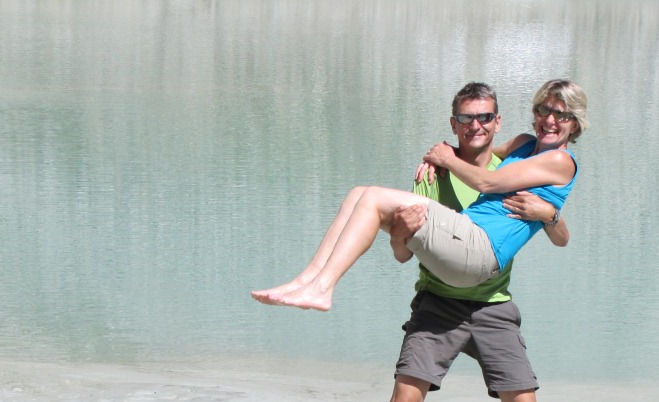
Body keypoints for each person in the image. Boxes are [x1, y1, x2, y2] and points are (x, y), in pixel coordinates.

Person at [343, 80, 584, 402]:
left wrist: (550, 214)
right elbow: (402, 253)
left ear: (497, 122)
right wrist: (402, 229)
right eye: (467, 119)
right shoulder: (434, 176)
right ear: (454, 124)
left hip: (493, 305)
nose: (476, 126)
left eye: (485, 118)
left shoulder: (515, 165)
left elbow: (561, 237)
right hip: (438, 303)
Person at [250, 79, 587, 312]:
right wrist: (439, 155)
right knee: (358, 194)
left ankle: (323, 289)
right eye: (544, 110)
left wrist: (446, 159)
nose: (550, 120)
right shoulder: (524, 144)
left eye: (562, 114)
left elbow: (487, 182)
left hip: (482, 253)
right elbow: (476, 151)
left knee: (372, 197)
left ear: (575, 124)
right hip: (461, 245)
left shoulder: (560, 161)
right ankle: (307, 280)